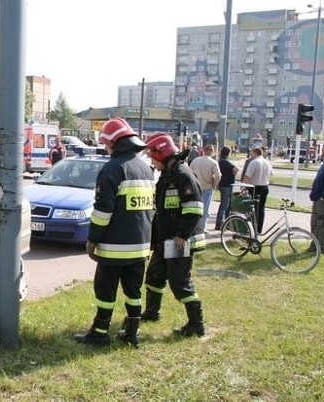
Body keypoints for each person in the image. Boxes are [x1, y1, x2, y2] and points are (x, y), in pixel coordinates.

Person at [74, 117, 155, 347]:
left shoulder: (112, 169)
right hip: (140, 247)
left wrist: (92, 240)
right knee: (134, 291)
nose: (105, 148)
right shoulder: (146, 170)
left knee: (105, 290)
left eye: (106, 144)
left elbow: (102, 212)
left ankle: (100, 333)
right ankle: (132, 333)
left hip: (114, 248)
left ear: (114, 143)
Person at [141, 133, 206, 337]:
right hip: (165, 240)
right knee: (154, 276)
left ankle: (197, 323)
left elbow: (194, 208)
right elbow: (161, 211)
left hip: (179, 241)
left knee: (179, 282)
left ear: (161, 154)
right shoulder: (167, 174)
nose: (151, 161)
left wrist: (182, 235)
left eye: (152, 157)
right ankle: (152, 312)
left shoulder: (182, 174)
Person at [189, 144, 221, 232]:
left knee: (194, 208)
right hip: (207, 186)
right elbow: (218, 176)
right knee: (205, 209)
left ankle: (193, 226)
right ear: (212, 151)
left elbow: (189, 172)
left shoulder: (196, 160)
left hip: (195, 187)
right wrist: (214, 184)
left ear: (204, 150)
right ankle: (202, 228)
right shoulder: (213, 162)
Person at [242, 147, 273, 233]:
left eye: (251, 153)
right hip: (265, 186)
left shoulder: (254, 162)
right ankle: (259, 229)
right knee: (261, 209)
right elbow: (272, 174)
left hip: (255, 187)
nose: (251, 155)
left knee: (253, 209)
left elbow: (247, 176)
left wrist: (243, 186)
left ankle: (252, 229)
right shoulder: (267, 162)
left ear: (255, 153)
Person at [215, 146, 239, 230]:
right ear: (228, 153)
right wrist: (234, 173)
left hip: (222, 184)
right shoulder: (226, 162)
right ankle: (219, 223)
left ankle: (224, 223)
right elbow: (236, 169)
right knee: (224, 205)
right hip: (227, 185)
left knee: (225, 205)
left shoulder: (220, 161)